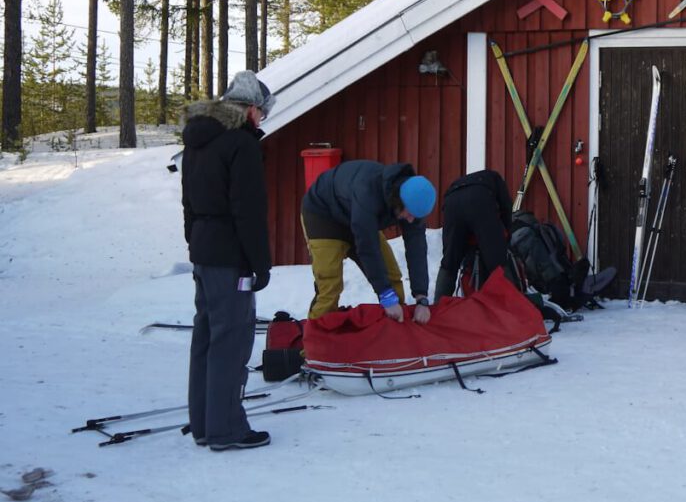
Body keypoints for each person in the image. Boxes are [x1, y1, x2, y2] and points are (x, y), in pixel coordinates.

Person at [181, 70, 275, 451]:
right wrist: (260, 264)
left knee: (205, 336)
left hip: (204, 252)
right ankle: (226, 429)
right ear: (251, 109)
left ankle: (204, 423)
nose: (263, 120)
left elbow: (187, 201)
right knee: (232, 340)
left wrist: (195, 243)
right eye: (263, 113)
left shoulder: (197, 142)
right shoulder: (241, 145)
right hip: (229, 256)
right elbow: (248, 211)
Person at [301, 160, 436, 323]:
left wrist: (422, 297)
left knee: (391, 278)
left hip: (357, 217)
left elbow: (417, 250)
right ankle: (314, 346)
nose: (411, 220)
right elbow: (368, 249)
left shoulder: (412, 203)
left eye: (416, 216)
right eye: (409, 214)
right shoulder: (368, 192)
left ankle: (396, 335)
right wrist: (385, 296)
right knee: (329, 288)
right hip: (323, 215)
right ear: (398, 200)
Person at [433, 169, 514, 302]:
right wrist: (505, 238)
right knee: (498, 264)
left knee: (449, 263)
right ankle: (512, 307)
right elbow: (506, 208)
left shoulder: (476, 180)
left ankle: (437, 307)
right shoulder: (496, 180)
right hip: (480, 198)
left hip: (451, 200)